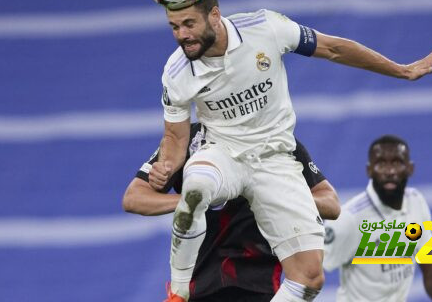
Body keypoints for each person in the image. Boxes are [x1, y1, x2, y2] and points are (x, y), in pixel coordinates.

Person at [147, 0, 432, 301]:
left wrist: (400, 70)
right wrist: (167, 167)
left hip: (275, 160)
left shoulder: (265, 28)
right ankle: (176, 293)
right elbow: (175, 138)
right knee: (197, 186)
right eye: (174, 27)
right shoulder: (176, 71)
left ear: (214, 15)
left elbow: (334, 48)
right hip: (223, 154)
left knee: (309, 278)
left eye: (188, 24)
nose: (182, 35)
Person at [123, 123, 341, 302]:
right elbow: (134, 198)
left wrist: (277, 196)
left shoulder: (278, 142)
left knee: (310, 279)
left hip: (258, 287)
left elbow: (331, 203)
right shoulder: (189, 141)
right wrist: (195, 199)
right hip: (198, 286)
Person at [323, 135, 432, 301]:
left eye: (397, 163)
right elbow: (309, 272)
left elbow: (431, 269)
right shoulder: (349, 219)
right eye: (381, 163)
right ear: (369, 170)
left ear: (410, 168)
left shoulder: (416, 203)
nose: (390, 171)